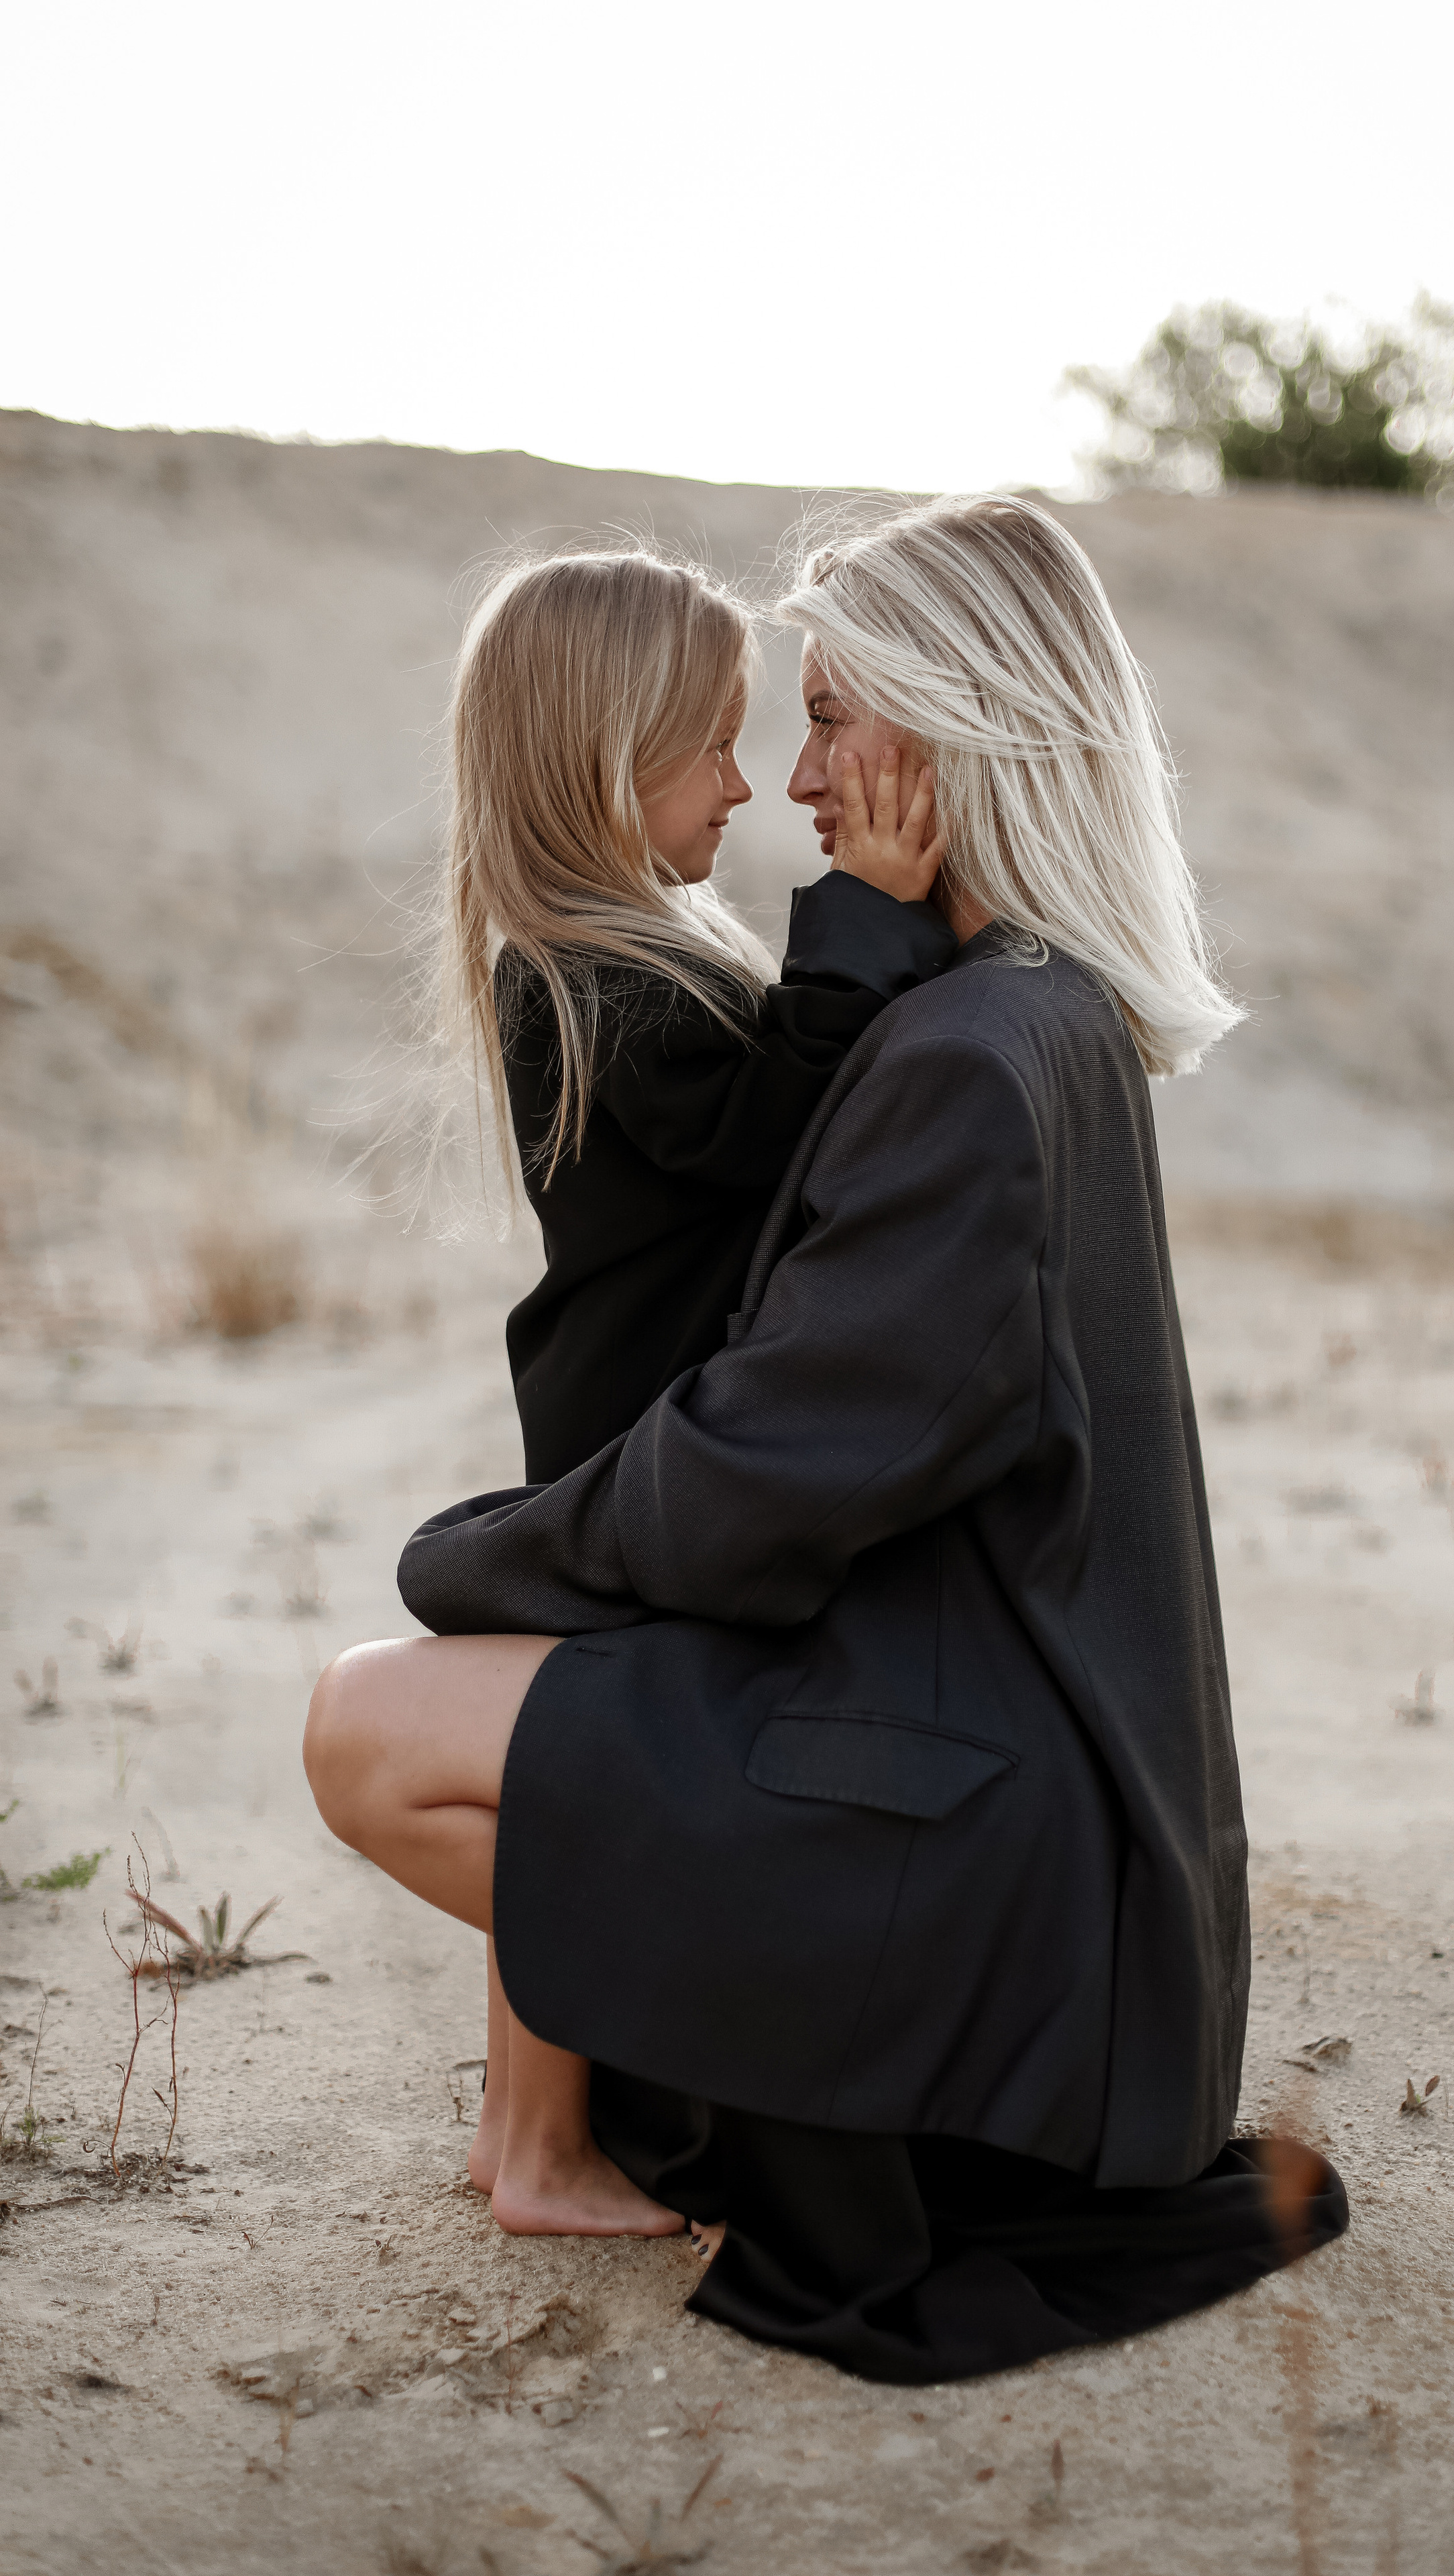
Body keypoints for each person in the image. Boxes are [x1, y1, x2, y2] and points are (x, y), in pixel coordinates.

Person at [304, 496, 1347, 2384]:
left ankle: (776, 2081)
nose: (791, 784)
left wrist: (473, 1563)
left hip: (1012, 1893)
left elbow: (760, 1479)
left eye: (834, 722)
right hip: (1038, 1826)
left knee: (367, 1724)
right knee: (498, 1705)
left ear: (942, 742)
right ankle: (605, 2102)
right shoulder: (1029, 1013)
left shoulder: (965, 1054)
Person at [361, 546, 955, 2236]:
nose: (750, 781)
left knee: (564, 1790)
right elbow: (774, 1129)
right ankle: (544, 2154)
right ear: (602, 761)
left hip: (621, 1434)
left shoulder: (617, 953)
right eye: (710, 745)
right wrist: (870, 920)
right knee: (579, 1812)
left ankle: (514, 2135)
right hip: (633, 1450)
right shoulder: (594, 980)